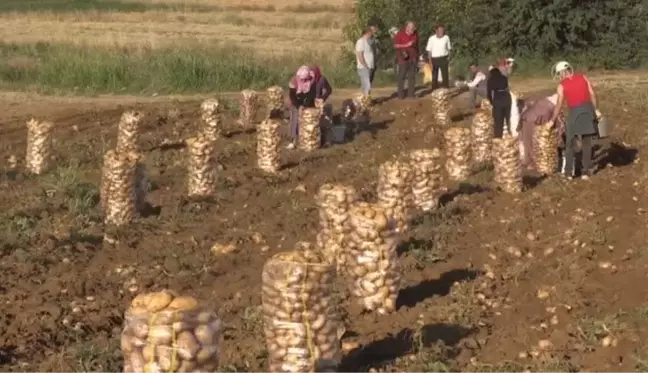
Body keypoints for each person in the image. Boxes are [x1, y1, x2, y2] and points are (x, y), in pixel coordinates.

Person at [550, 61, 599, 179]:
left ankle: (568, 173)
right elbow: (592, 94)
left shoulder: (561, 86)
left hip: (575, 113)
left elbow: (559, 105)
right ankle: (585, 172)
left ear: (561, 73)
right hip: (588, 110)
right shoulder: (583, 77)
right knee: (587, 143)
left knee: (570, 143)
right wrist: (595, 110)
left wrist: (552, 120)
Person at [519, 93, 566, 171]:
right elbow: (559, 123)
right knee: (531, 142)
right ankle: (531, 164)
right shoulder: (554, 106)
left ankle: (529, 162)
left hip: (529, 116)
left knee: (528, 141)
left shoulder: (551, 99)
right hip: (532, 118)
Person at [287, 65, 316, 149]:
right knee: (294, 119)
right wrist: (299, 106)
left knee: (307, 119)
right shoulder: (294, 81)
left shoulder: (311, 79)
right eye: (302, 79)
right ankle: (292, 140)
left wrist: (305, 105)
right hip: (295, 101)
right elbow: (292, 96)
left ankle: (306, 140)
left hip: (306, 100)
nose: (303, 80)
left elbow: (311, 94)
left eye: (305, 79)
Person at [486, 58, 513, 138]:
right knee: (509, 119)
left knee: (498, 121)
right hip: (507, 98)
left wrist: (491, 103)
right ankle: (510, 135)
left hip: (497, 100)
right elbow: (507, 87)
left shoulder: (490, 80)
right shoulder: (504, 77)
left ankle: (498, 137)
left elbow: (489, 94)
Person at [393, 21, 418, 99]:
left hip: (413, 58)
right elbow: (395, 45)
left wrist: (417, 57)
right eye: (411, 28)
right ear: (407, 27)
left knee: (412, 77)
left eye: (413, 28)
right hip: (402, 59)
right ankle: (400, 95)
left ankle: (411, 94)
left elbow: (417, 45)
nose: (412, 30)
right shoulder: (400, 34)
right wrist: (406, 45)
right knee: (402, 76)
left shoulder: (415, 34)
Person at [425, 24, 451, 89]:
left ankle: (446, 90)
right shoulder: (431, 39)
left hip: (444, 58)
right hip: (434, 59)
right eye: (440, 30)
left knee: (445, 76)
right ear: (436, 31)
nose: (441, 32)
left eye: (442, 30)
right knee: (434, 76)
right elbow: (429, 51)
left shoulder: (446, 37)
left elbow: (449, 48)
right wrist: (430, 62)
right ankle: (434, 90)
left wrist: (449, 57)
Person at [355, 25, 378, 95]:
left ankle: (365, 101)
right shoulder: (361, 41)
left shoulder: (369, 41)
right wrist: (365, 66)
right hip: (364, 67)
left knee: (367, 85)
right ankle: (365, 102)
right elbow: (360, 55)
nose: (372, 34)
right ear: (368, 32)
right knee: (367, 86)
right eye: (371, 32)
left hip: (370, 67)